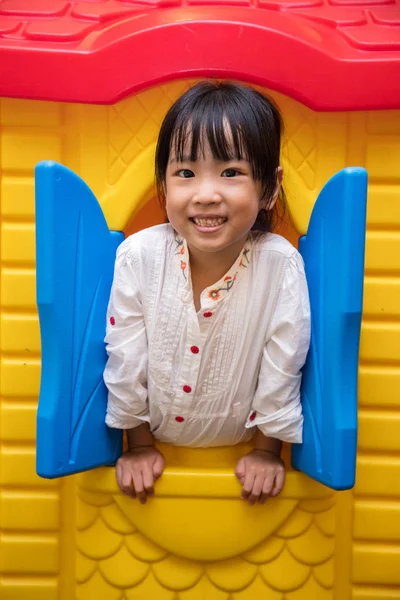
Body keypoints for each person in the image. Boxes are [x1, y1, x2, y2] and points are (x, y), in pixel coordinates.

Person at [103, 81, 311, 506]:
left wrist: (266, 451)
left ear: (269, 188)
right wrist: (137, 444)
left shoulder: (280, 264)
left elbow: (284, 360)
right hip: (153, 441)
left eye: (231, 173)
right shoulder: (138, 256)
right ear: (163, 185)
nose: (206, 194)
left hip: (242, 445)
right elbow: (126, 357)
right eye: (185, 173)